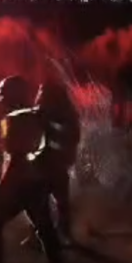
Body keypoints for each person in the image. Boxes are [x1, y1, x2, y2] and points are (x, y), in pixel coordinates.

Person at [0, 74, 64, 263]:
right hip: (37, 180)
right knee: (44, 226)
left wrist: (3, 189)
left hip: (24, 183)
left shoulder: (15, 118)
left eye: (2, 91)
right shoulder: (33, 115)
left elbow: (17, 157)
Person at [32, 79, 80, 245]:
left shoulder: (66, 113)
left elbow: (72, 136)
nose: (40, 94)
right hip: (41, 162)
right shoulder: (39, 111)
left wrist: (50, 127)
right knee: (40, 203)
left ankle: (64, 234)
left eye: (44, 91)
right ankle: (40, 235)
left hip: (57, 163)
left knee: (61, 202)